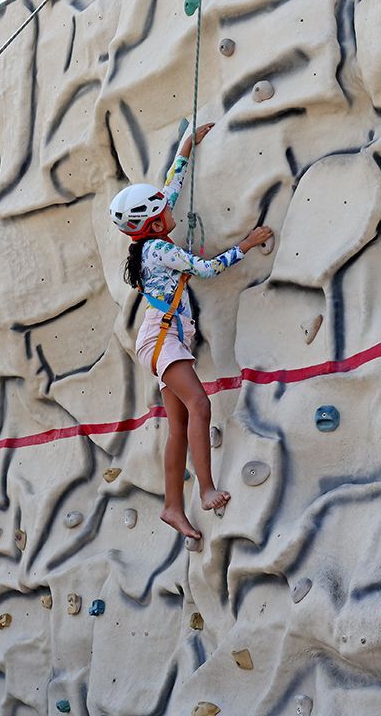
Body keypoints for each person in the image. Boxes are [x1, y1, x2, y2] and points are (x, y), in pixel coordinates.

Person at [109, 122, 273, 540]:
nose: (169, 209)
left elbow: (169, 189)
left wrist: (185, 150)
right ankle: (205, 489)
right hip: (164, 340)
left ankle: (171, 508)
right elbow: (206, 269)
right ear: (152, 224)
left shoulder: (149, 238)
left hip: (165, 338)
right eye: (160, 211)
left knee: (179, 423)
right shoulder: (161, 249)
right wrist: (247, 244)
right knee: (199, 406)